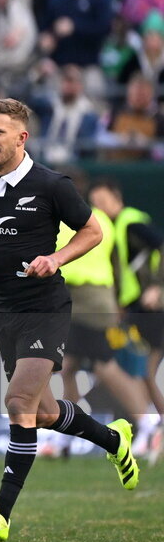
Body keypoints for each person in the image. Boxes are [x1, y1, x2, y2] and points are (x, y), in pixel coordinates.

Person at [0, 98, 137, 542]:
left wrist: (56, 259)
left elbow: (93, 231)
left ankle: (1, 510)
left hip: (45, 308)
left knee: (18, 403)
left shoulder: (52, 184)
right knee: (44, 411)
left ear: (22, 137)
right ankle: (114, 441)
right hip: (4, 310)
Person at [45, 201, 154, 458]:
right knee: (68, 366)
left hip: (85, 303)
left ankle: (149, 424)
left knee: (103, 364)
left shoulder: (61, 222)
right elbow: (115, 262)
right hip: (99, 300)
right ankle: (67, 435)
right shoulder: (101, 219)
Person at [88, 178, 164, 460]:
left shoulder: (131, 223)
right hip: (134, 307)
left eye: (104, 201)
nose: (101, 207)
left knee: (147, 369)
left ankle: (154, 427)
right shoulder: (111, 227)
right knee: (141, 370)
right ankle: (150, 429)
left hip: (151, 307)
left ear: (116, 197)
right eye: (96, 203)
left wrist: (158, 285)